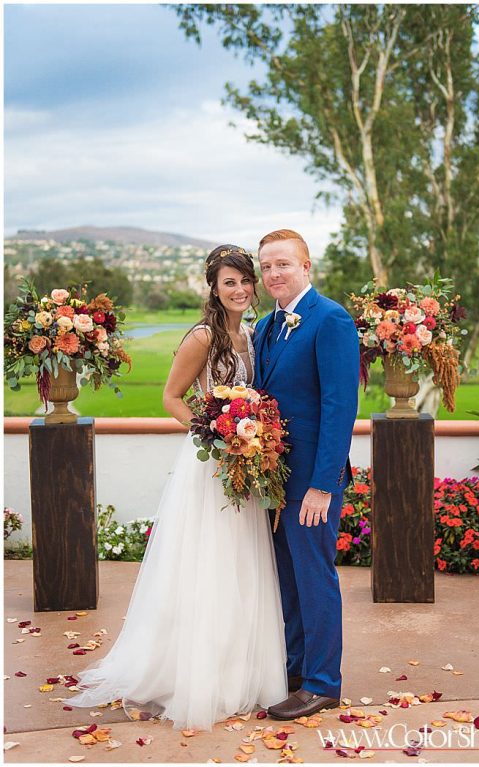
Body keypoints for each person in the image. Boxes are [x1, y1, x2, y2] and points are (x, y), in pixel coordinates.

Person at [68, 245, 287, 730]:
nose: (240, 289)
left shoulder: (252, 333)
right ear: (213, 287)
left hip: (243, 466)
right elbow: (171, 397)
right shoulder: (204, 337)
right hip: (210, 465)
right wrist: (215, 432)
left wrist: (250, 439)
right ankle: (192, 675)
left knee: (242, 564)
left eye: (245, 280)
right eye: (228, 282)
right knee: (206, 565)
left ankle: (240, 671)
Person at [253, 229, 360, 720]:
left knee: (314, 577)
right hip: (273, 476)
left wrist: (323, 485)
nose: (274, 273)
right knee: (288, 579)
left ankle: (322, 683)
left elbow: (340, 407)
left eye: (283, 264)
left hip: (312, 481)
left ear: (306, 267)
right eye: (267, 266)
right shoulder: (264, 327)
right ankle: (295, 671)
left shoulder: (331, 319)